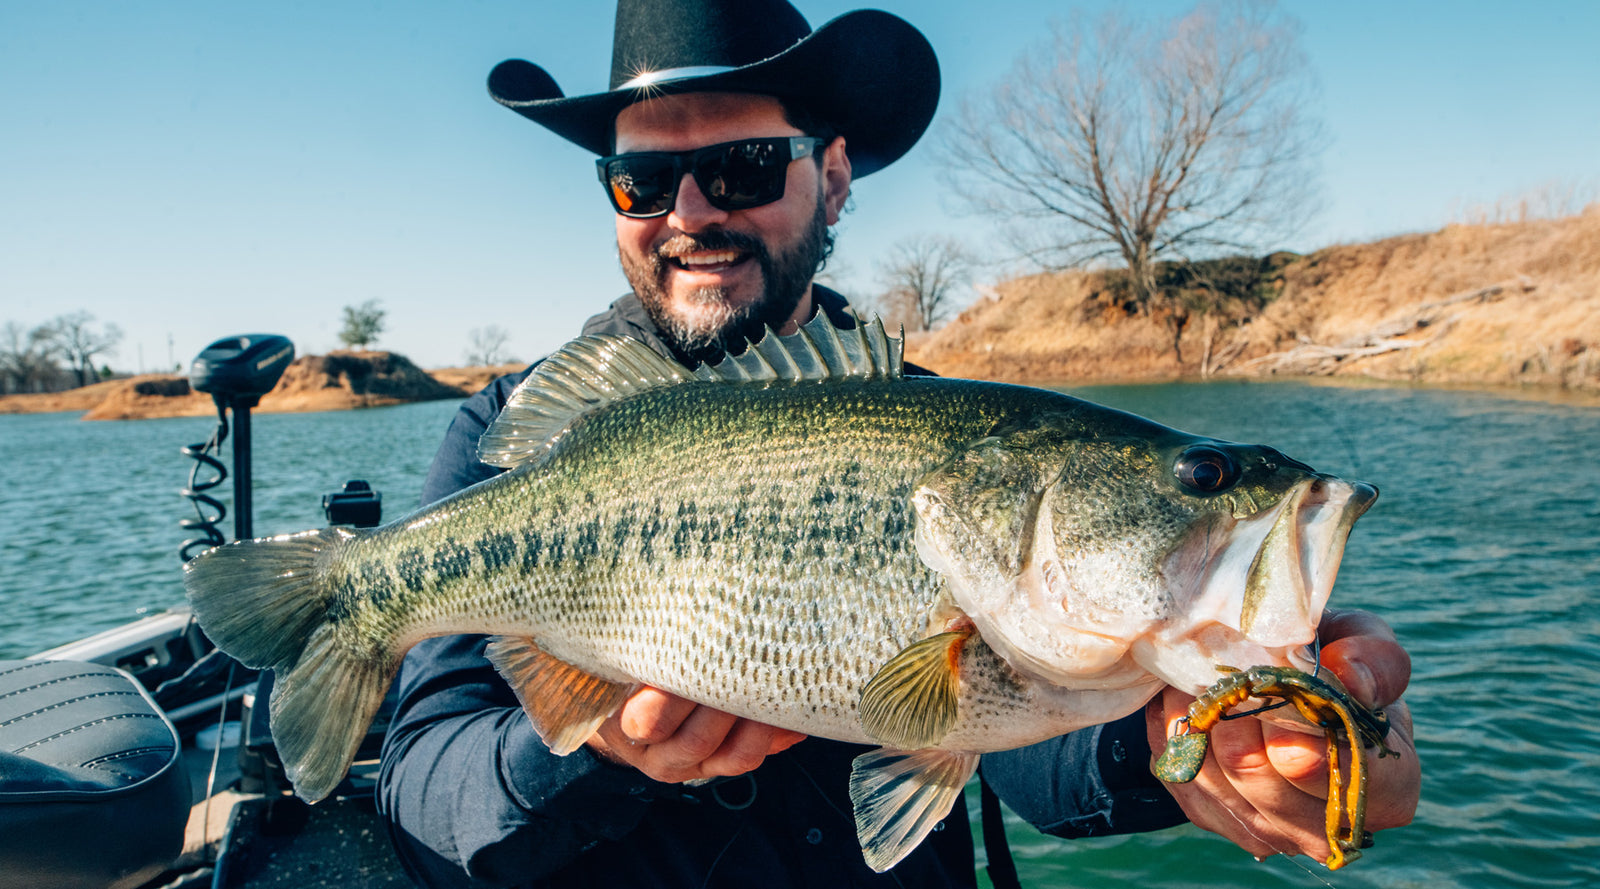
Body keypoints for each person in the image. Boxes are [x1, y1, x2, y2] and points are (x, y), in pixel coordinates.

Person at [376, 2, 1421, 886]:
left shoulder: (944, 424)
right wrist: (585, 744)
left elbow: (1039, 751)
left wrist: (1195, 750)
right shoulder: (516, 439)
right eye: (639, 183)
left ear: (832, 178)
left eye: (742, 167)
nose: (688, 213)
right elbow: (423, 778)